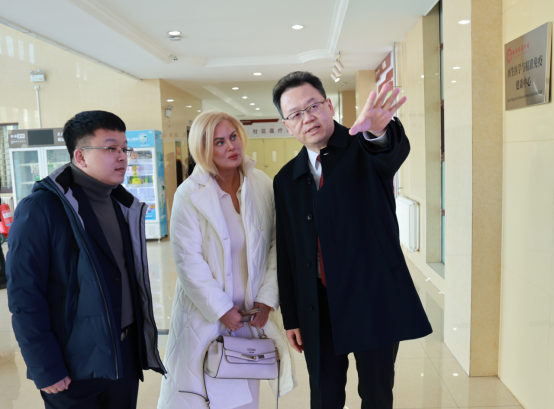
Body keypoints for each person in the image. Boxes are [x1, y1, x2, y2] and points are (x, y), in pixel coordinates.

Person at [272, 71, 433, 409]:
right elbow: (287, 253)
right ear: (287, 125)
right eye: (296, 114)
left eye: (313, 106)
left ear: (329, 106)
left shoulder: (362, 147)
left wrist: (376, 132)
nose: (307, 118)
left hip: (371, 298)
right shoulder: (286, 179)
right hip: (318, 306)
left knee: (376, 395)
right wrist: (292, 317)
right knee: (324, 397)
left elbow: (388, 151)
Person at [6, 110, 165, 409]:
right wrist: (45, 366)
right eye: (111, 148)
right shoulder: (41, 208)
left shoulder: (122, 204)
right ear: (80, 156)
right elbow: (25, 296)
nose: (122, 156)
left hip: (122, 358)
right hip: (72, 366)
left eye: (124, 148)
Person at [158, 111, 295, 409]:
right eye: (219, 142)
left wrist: (267, 299)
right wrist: (221, 309)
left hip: (249, 315)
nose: (231, 146)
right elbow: (188, 262)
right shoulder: (188, 195)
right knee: (204, 395)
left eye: (233, 137)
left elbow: (277, 245)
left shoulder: (260, 184)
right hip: (207, 314)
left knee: (245, 394)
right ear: (204, 149)